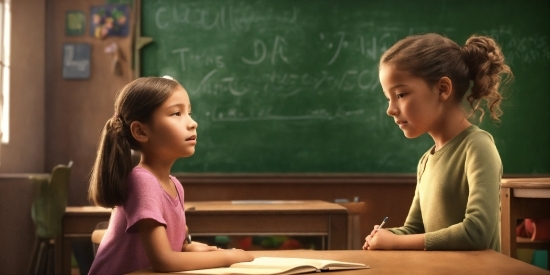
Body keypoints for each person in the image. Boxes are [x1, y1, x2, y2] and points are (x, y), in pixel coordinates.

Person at [88, 76, 253, 274]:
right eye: (176, 113)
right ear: (140, 131)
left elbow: (171, 246)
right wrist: (229, 256)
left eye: (189, 113)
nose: (193, 123)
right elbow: (163, 261)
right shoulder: (142, 181)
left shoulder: (174, 185)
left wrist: (187, 248)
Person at [363, 33, 513, 251]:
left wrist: (396, 241)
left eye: (401, 94)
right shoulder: (426, 161)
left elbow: (477, 233)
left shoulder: (478, 146)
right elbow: (415, 230)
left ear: (443, 89)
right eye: (389, 98)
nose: (390, 109)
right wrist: (384, 236)